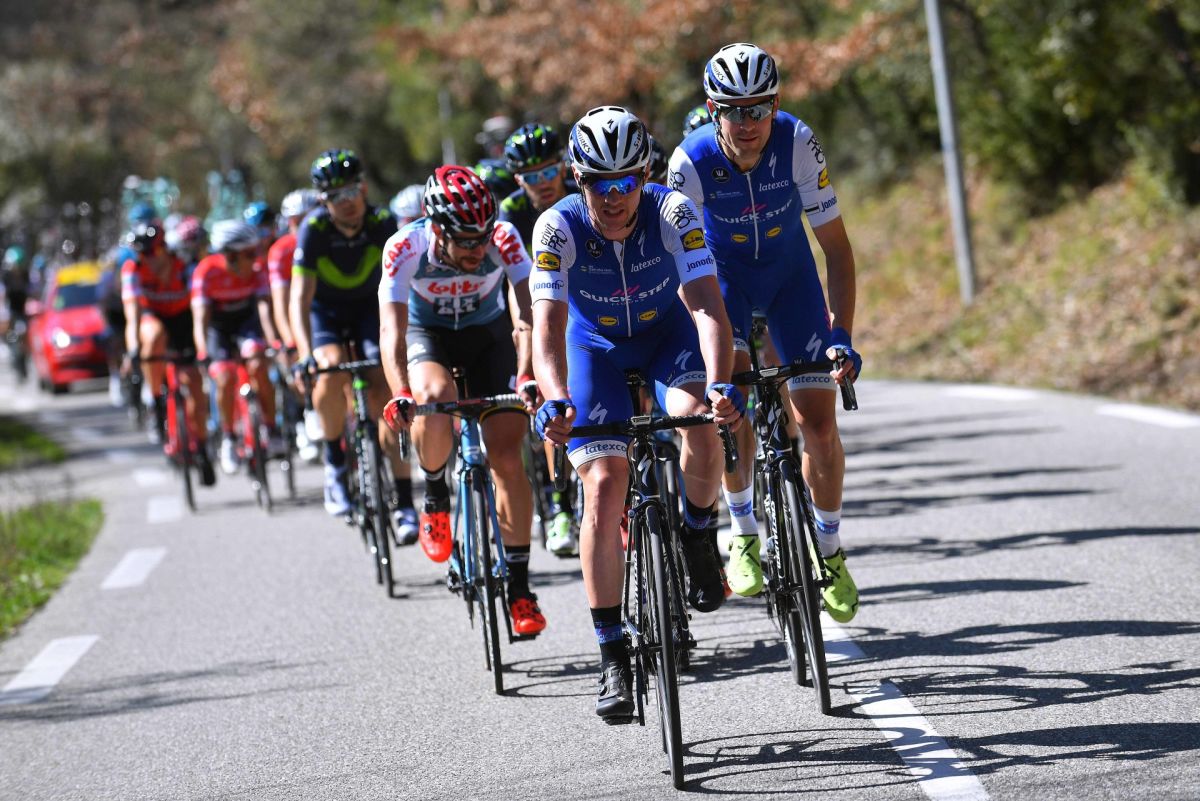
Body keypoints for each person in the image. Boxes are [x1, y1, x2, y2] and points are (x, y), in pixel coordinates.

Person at [531, 106, 743, 720]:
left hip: (665, 337)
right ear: (578, 178)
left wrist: (721, 383)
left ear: (645, 174)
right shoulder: (556, 227)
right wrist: (554, 397)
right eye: (599, 182)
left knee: (699, 420)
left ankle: (698, 534)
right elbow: (547, 331)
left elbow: (707, 308)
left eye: (626, 181)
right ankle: (612, 654)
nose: (614, 196)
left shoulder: (673, 210)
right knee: (604, 483)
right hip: (592, 346)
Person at [668, 42, 862, 622]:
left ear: (775, 105)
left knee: (818, 424)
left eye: (760, 108)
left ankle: (829, 549)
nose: (749, 122)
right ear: (712, 109)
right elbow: (680, 268)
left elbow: (837, 250)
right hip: (722, 285)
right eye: (734, 110)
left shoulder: (797, 141)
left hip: (789, 281)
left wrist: (842, 334)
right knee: (730, 406)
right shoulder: (689, 162)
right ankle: (743, 530)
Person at [378, 165, 546, 636]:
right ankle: (435, 493)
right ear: (437, 230)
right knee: (435, 397)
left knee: (507, 458)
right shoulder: (404, 247)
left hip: (488, 338)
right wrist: (400, 392)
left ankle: (519, 588)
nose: (478, 249)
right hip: (427, 336)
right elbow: (391, 331)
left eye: (483, 237)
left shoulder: (504, 238)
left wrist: (527, 373)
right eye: (467, 241)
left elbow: (526, 312)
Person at [290, 149, 416, 543]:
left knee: (385, 392)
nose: (346, 202)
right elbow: (299, 297)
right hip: (326, 314)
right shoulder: (313, 229)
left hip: (368, 311)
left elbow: (403, 283)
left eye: (351, 191)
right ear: (322, 200)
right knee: (328, 370)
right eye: (334, 196)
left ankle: (405, 502)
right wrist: (303, 354)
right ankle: (334, 464)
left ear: (363, 187)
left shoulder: (382, 222)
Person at [498, 122, 581, 556]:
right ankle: (561, 504)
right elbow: (517, 287)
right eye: (531, 176)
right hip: (537, 303)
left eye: (548, 171)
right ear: (518, 179)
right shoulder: (511, 211)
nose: (542, 182)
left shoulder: (580, 192)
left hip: (586, 296)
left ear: (562, 167)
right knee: (553, 399)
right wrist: (526, 354)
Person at [121, 219, 215, 484]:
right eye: (141, 253)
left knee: (193, 385)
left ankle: (203, 447)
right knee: (153, 336)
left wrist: (203, 345)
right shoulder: (133, 269)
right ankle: (155, 402)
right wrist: (133, 350)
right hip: (154, 318)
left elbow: (200, 308)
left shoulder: (183, 265)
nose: (146, 258)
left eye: (151, 252)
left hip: (184, 321)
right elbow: (132, 315)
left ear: (164, 247)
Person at [191, 220, 281, 475]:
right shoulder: (206, 271)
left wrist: (273, 340)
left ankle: (271, 427)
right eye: (249, 254)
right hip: (218, 329)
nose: (256, 259)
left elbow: (263, 309)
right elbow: (200, 318)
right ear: (230, 256)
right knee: (224, 377)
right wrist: (202, 351)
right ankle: (229, 437)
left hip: (246, 324)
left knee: (258, 363)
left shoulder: (257, 269)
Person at [268, 189, 322, 464]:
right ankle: (306, 413)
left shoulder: (327, 238)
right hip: (296, 312)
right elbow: (281, 303)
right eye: (294, 222)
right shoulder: (281, 251)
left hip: (324, 311)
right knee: (297, 365)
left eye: (306, 219)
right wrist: (291, 341)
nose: (300, 227)